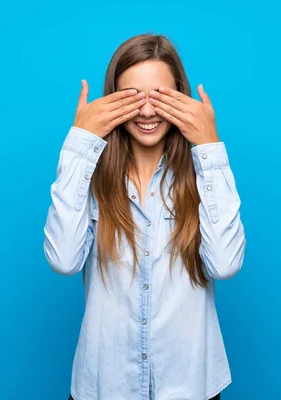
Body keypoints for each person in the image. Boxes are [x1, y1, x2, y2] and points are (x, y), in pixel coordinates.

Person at [43, 33, 246, 400]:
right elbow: (63, 260)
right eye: (133, 97)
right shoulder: (91, 178)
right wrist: (79, 144)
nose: (148, 112)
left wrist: (210, 147)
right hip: (103, 389)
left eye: (161, 97)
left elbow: (225, 264)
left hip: (190, 388)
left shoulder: (205, 178)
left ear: (181, 98)